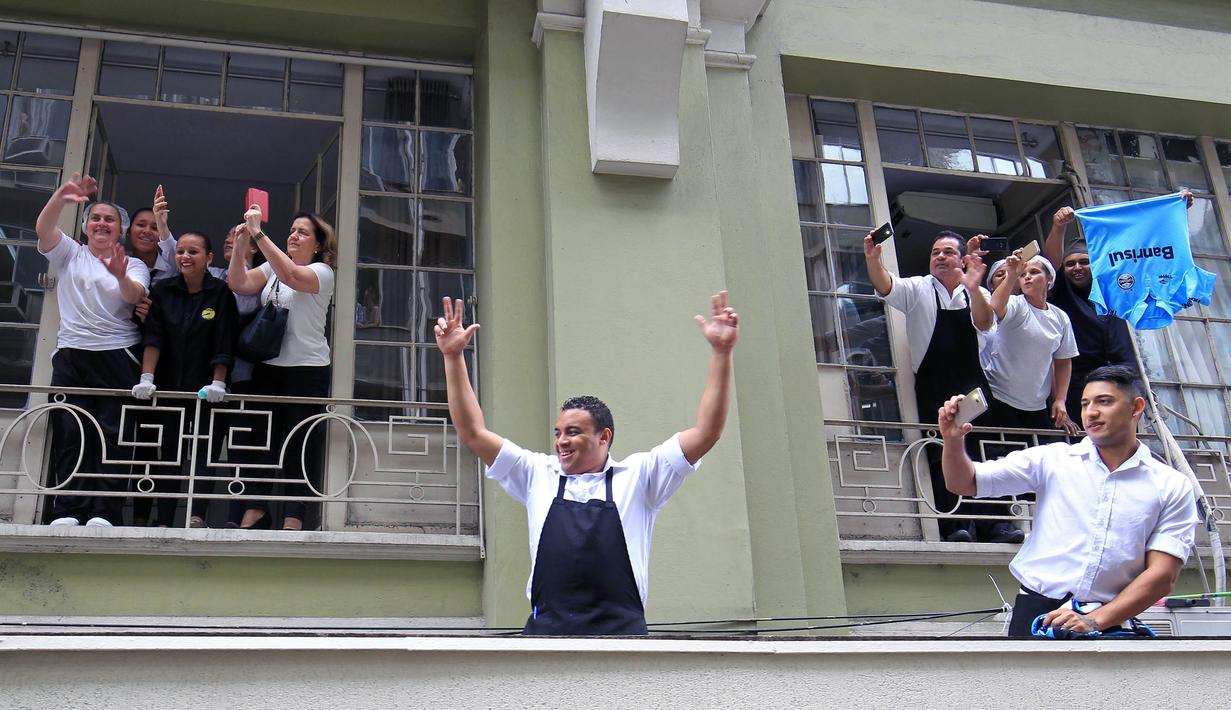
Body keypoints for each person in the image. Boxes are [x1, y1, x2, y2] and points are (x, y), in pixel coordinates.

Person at [435, 292, 738, 635]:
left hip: (622, 642)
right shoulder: (537, 473)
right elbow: (473, 433)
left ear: (603, 437)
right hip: (545, 639)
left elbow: (708, 432)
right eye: (558, 432)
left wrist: (722, 353)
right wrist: (453, 357)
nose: (560, 441)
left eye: (573, 432)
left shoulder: (640, 477)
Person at [938, 365, 1197, 637]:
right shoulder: (1052, 460)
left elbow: (1162, 575)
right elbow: (964, 483)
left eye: (1104, 401)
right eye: (1085, 404)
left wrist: (1096, 620)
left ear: (1136, 407)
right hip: (1037, 613)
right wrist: (953, 440)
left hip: (1112, 617)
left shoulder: (1170, 485)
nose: (1091, 412)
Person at [864, 230, 1018, 543]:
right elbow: (885, 283)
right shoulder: (918, 288)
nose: (939, 257)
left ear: (962, 260)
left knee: (984, 453)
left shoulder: (976, 294)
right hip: (934, 388)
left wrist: (973, 288)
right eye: (935, 252)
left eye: (947, 251)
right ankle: (955, 524)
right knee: (940, 455)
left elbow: (985, 323)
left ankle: (996, 525)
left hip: (973, 388)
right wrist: (872, 258)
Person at [36, 173, 150, 527]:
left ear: (121, 229)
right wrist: (61, 196)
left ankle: (105, 510)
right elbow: (43, 229)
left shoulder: (134, 264)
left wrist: (118, 274)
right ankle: (68, 508)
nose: (102, 223)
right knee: (71, 430)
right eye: (96, 218)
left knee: (111, 433)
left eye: (110, 219)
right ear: (86, 226)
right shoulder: (71, 253)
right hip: (73, 352)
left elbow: (134, 296)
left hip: (118, 354)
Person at [227, 206, 337, 531]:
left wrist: (259, 234)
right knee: (262, 442)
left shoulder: (322, 272)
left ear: (317, 245)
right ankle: (255, 510)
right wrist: (239, 246)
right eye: (292, 230)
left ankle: (294, 516)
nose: (293, 235)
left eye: (302, 232)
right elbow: (239, 283)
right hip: (269, 368)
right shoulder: (272, 267)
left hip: (307, 371)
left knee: (297, 443)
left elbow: (291, 275)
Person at [130, 232, 239, 527]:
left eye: (193, 251)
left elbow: (224, 342)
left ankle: (197, 515)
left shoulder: (220, 292)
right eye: (180, 251)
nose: (185, 257)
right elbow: (154, 337)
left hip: (207, 389)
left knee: (205, 452)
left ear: (209, 258)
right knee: (169, 455)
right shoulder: (163, 290)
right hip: (167, 386)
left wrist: (219, 382)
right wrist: (147, 377)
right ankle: (163, 519)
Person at [1043, 206, 1139, 422]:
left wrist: (1175, 211)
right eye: (1070, 264)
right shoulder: (1061, 293)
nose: (1076, 267)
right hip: (1077, 387)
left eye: (1084, 262)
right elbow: (1050, 264)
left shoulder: (1113, 289)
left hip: (1120, 382)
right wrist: (1059, 228)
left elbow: (1144, 250)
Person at [974, 249, 1080, 436]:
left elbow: (1063, 361)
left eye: (1034, 272)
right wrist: (1012, 273)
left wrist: (1060, 400)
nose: (1027, 278)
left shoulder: (1060, 317)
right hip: (999, 395)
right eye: (1023, 275)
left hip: (1036, 403)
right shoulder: (1017, 304)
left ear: (1049, 279)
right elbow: (995, 308)